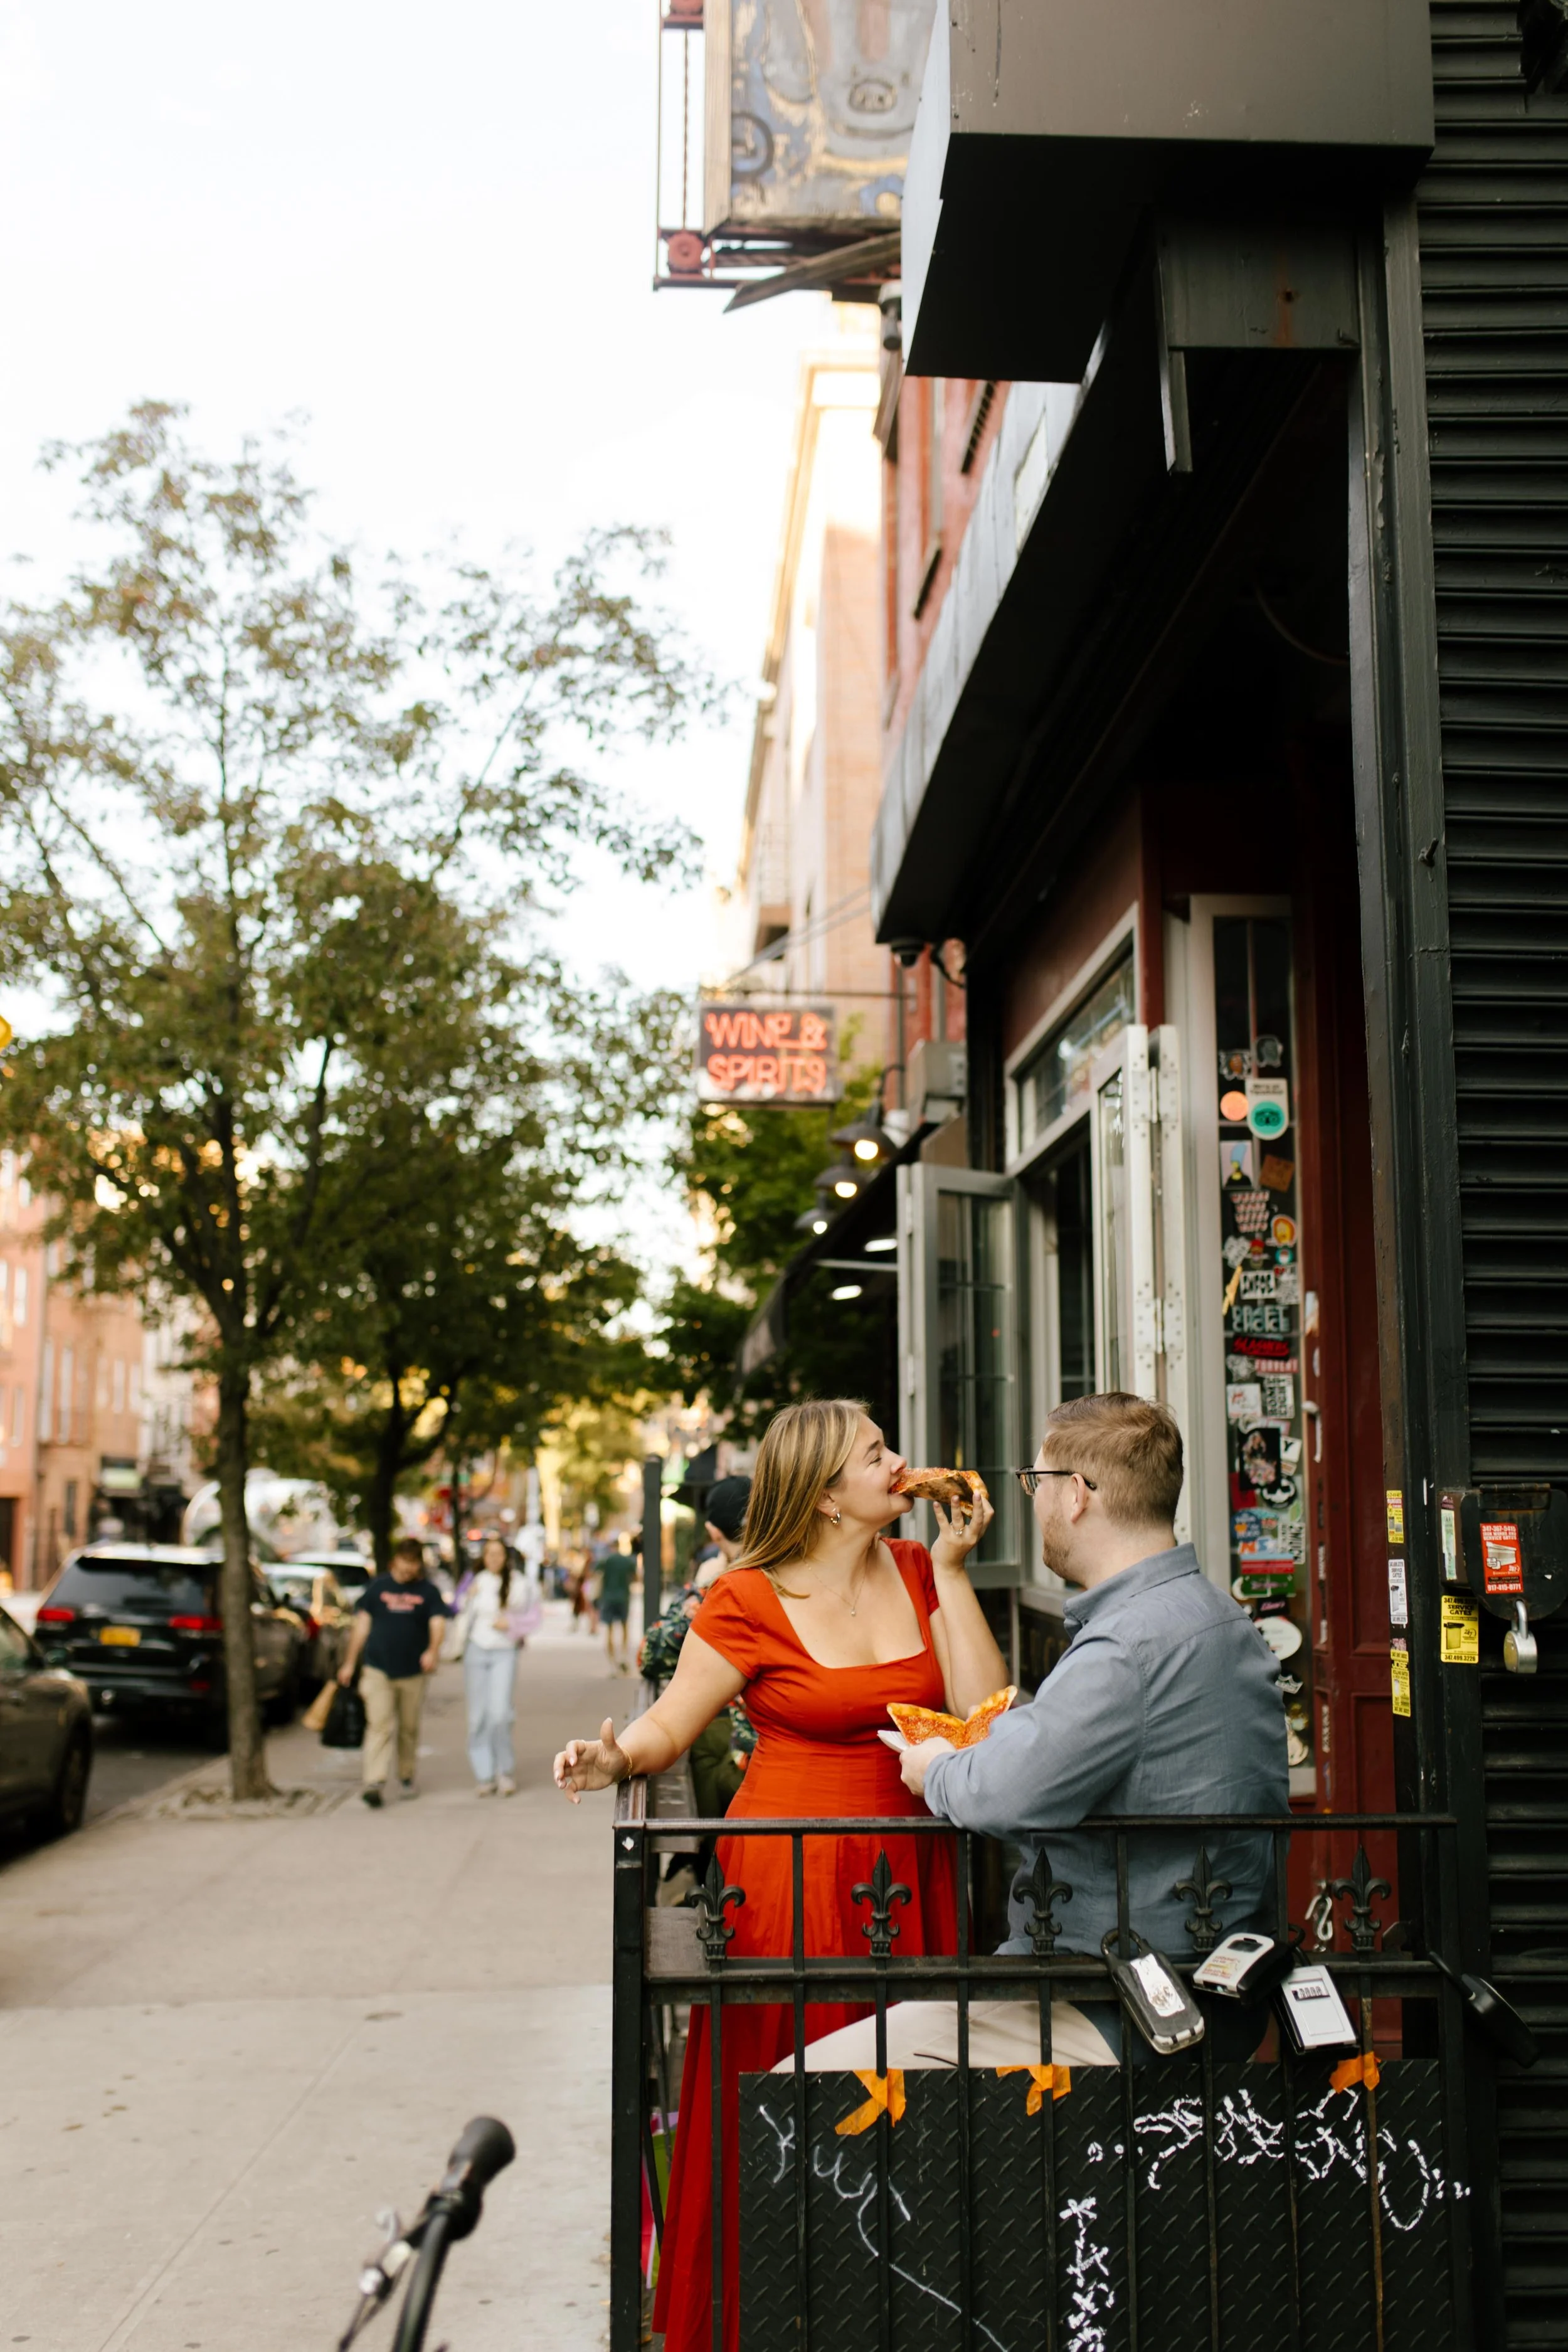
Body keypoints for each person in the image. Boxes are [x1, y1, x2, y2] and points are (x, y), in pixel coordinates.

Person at [554, 1399, 1005, 2352]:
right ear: (828, 1495)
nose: (901, 1462)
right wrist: (611, 1761)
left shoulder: (925, 1571)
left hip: (908, 1870)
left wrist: (957, 1572)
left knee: (909, 2092)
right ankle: (766, 2317)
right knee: (782, 2094)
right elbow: (672, 1723)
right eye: (876, 1453)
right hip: (785, 1878)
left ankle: (892, 2315)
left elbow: (985, 1719)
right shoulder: (748, 1595)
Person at [795, 1391, 1290, 2079]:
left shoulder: (1129, 1642)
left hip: (1119, 1997)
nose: (1030, 1500)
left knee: (809, 2084)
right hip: (1184, 1979)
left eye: (1035, 1481)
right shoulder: (1209, 1614)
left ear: (1077, 1495)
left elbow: (1005, 1795)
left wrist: (933, 1767)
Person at [337, 1535, 450, 1808]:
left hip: (412, 1671)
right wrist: (350, 1662)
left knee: (408, 1728)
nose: (408, 1569)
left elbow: (437, 1624)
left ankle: (407, 1775)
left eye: (413, 1564)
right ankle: (374, 1782)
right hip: (378, 1669)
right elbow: (362, 1626)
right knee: (380, 1725)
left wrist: (433, 1650)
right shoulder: (377, 1589)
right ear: (394, 1561)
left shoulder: (428, 1592)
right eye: (404, 1562)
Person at [454, 1532, 531, 1796]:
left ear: (505, 1558)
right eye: (490, 1554)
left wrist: (511, 1624)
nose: (494, 1559)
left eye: (499, 1554)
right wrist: (468, 1596)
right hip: (476, 1650)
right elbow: (456, 1607)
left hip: (504, 1652)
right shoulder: (474, 1580)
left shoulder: (519, 1583)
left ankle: (504, 1771)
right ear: (483, 1557)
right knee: (478, 1717)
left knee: (500, 1713)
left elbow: (532, 1617)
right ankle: (484, 1774)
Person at [596, 1535, 635, 1671]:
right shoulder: (627, 1561)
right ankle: (624, 1657)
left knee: (609, 1630)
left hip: (608, 1597)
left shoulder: (605, 1561)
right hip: (623, 1597)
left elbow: (596, 1574)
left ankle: (612, 1662)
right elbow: (635, 1576)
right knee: (625, 1627)